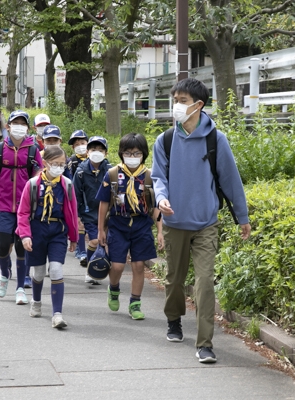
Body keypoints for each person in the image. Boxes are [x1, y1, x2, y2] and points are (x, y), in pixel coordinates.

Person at [151, 78, 251, 363]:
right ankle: (173, 320)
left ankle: (205, 343)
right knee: (174, 279)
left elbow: (231, 180)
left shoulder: (215, 139)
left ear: (198, 105)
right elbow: (158, 177)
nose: (177, 106)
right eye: (175, 100)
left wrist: (241, 217)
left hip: (206, 222)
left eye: (182, 100)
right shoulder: (166, 140)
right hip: (174, 223)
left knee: (205, 282)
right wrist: (161, 199)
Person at [96, 133, 164, 320]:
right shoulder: (112, 174)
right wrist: (101, 229)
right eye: (128, 153)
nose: (132, 157)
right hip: (118, 224)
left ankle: (135, 303)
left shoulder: (150, 177)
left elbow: (158, 206)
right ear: (121, 153)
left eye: (137, 153)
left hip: (141, 225)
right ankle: (114, 288)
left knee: (138, 265)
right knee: (117, 266)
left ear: (144, 154)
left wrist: (160, 232)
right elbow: (103, 203)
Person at [16, 146, 78, 329]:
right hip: (37, 230)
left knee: (57, 270)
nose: (59, 167)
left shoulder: (66, 184)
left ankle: (57, 314)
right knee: (39, 272)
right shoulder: (33, 184)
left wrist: (73, 237)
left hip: (58, 231)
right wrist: (25, 235)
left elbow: (72, 213)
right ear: (45, 163)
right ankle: (36, 301)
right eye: (55, 164)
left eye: (62, 164)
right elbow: (23, 212)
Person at [0, 110, 43, 304]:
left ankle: (20, 288)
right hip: (2, 206)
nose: (19, 127)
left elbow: (40, 179)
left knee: (21, 248)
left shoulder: (33, 151)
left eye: (22, 123)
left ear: (27, 128)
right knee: (3, 246)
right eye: (15, 123)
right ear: (8, 126)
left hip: (25, 209)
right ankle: (4, 274)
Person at [73, 136, 112, 285]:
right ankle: (90, 268)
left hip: (108, 214)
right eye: (94, 149)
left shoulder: (110, 170)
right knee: (95, 240)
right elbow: (75, 194)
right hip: (89, 213)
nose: (97, 152)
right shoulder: (81, 172)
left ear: (106, 153)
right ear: (88, 152)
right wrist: (77, 216)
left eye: (101, 150)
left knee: (104, 242)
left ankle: (99, 267)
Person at [67, 130, 89, 262]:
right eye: (76, 144)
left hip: (91, 196)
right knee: (79, 223)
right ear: (72, 147)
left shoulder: (94, 159)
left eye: (83, 143)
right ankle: (81, 250)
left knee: (90, 223)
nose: (80, 146)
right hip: (77, 196)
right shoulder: (72, 161)